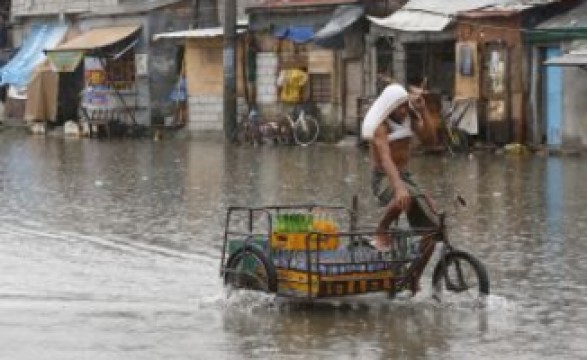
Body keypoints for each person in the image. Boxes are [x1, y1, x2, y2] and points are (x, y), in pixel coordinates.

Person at [361, 82, 439, 252]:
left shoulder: (409, 118)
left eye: (405, 106)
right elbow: (385, 158)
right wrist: (398, 187)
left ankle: (414, 277)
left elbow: (430, 141)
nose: (404, 111)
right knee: (403, 198)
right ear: (390, 108)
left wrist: (423, 110)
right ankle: (381, 229)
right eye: (400, 107)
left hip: (406, 175)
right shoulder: (381, 127)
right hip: (383, 176)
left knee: (430, 234)